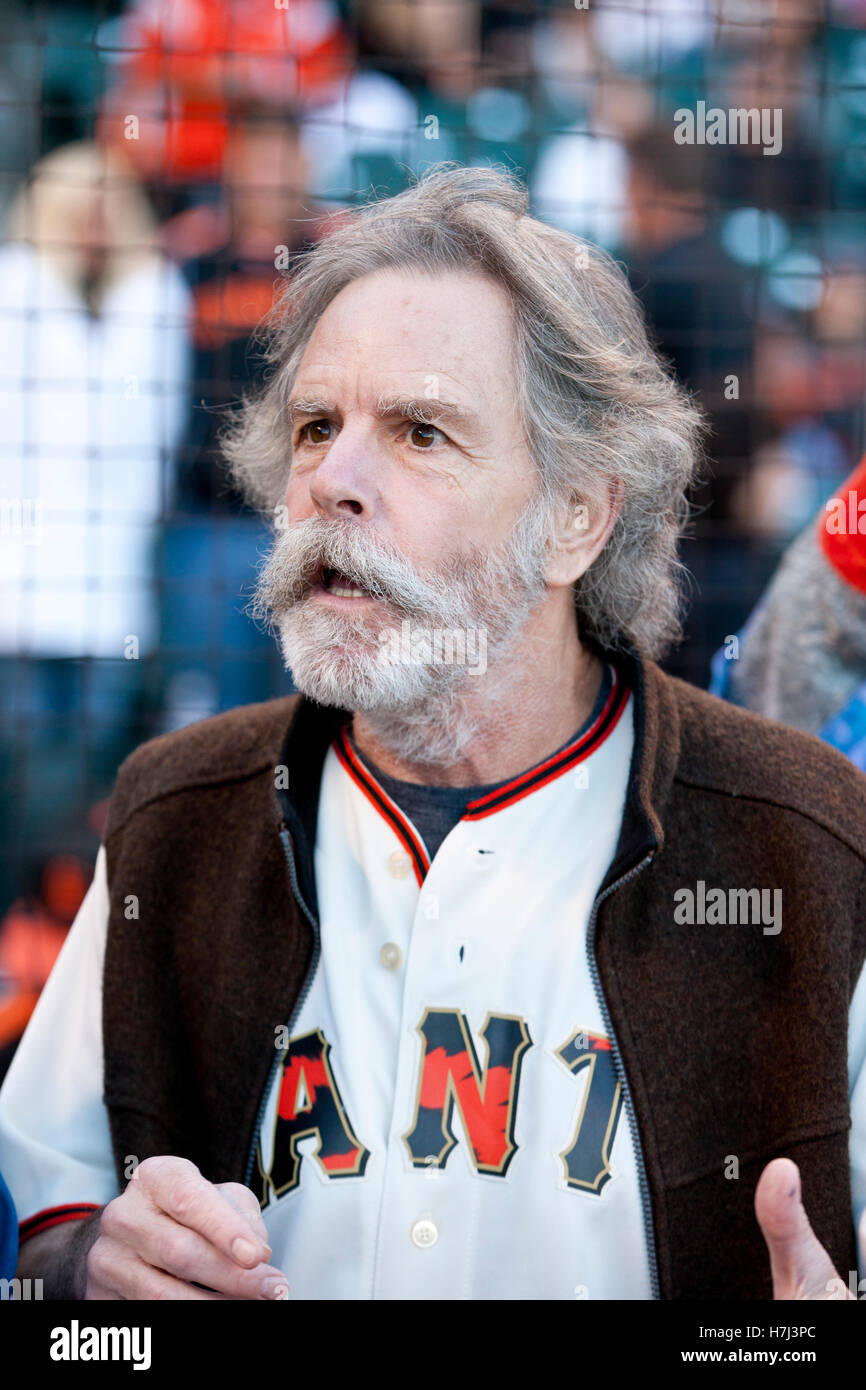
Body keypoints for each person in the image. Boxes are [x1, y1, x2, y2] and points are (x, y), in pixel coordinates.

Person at [1, 164, 866, 1302]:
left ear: (575, 519)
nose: (331, 481)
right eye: (316, 426)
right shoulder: (171, 817)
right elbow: (48, 1232)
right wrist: (88, 1277)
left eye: (418, 432)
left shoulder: (808, 844)